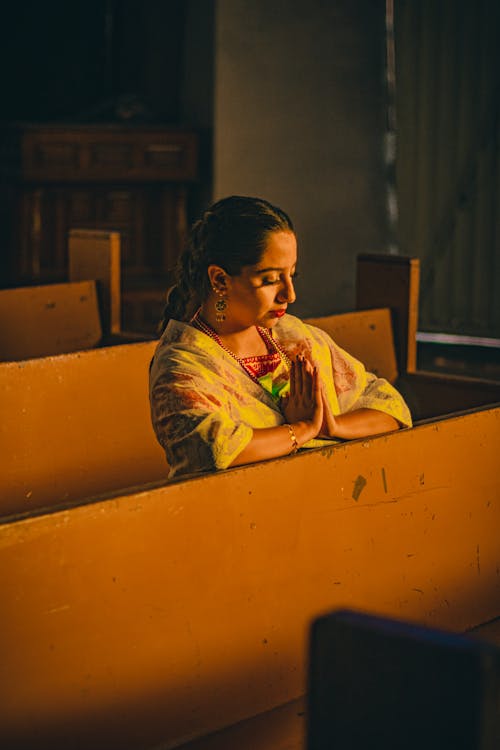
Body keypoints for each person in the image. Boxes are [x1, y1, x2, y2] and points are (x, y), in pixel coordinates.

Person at [149, 196, 412, 479]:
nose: (290, 294)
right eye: (271, 279)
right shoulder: (184, 364)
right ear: (220, 281)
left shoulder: (296, 337)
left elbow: (392, 408)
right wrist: (302, 429)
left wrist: (330, 426)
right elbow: (213, 450)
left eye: (291, 276)